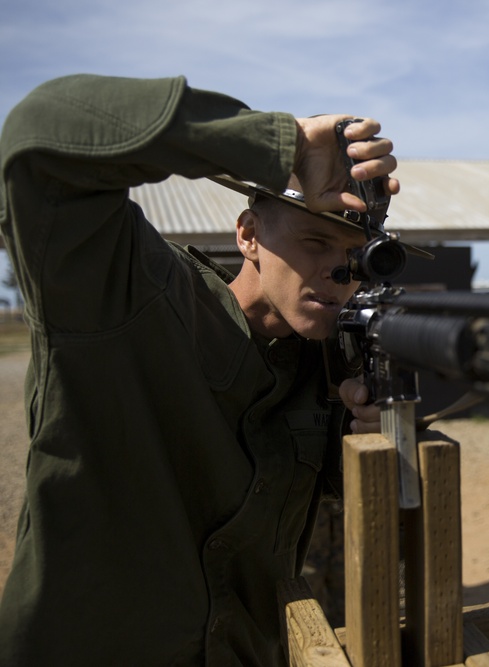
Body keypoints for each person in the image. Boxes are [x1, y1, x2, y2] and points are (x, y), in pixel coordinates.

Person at [0, 74, 397, 666]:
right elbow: (42, 135)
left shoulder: (328, 363)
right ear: (248, 234)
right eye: (316, 241)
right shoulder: (130, 297)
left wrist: (374, 441)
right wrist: (281, 146)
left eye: (353, 258)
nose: (340, 274)